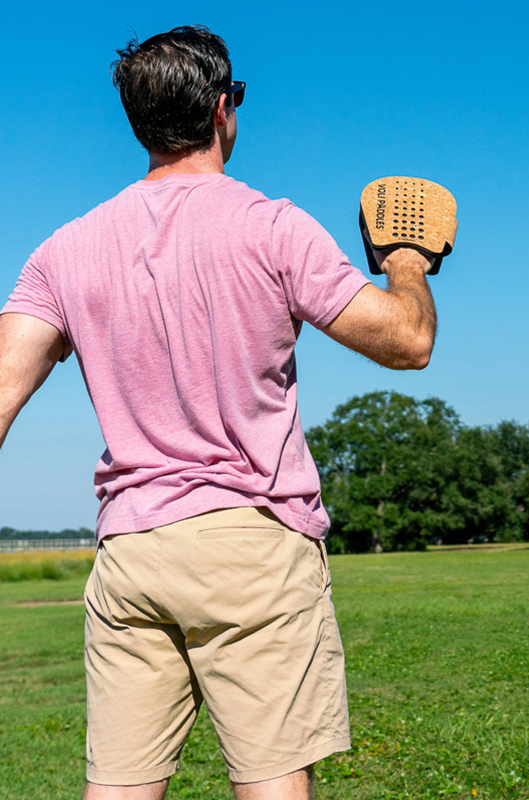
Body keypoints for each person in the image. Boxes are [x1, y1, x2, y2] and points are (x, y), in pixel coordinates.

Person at [0, 26, 440, 800]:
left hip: (130, 551)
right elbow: (407, 341)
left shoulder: (60, 252)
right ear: (222, 111)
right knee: (270, 781)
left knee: (120, 788)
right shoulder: (271, 226)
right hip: (251, 542)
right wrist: (407, 264)